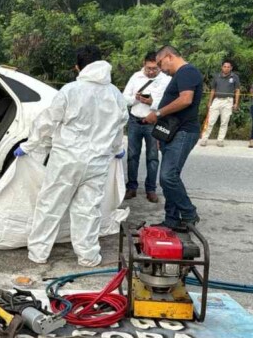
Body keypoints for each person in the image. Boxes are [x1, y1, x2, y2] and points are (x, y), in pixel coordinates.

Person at [13, 45, 128, 267]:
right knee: (88, 210)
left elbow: (48, 121)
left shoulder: (70, 91)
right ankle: (88, 257)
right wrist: (116, 150)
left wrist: (30, 145)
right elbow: (118, 127)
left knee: (51, 205)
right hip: (97, 162)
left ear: (78, 67)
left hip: (66, 159)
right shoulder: (115, 94)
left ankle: (39, 253)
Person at [143, 46, 203, 230]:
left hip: (184, 131)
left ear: (169, 57)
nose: (161, 69)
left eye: (161, 64)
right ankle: (172, 219)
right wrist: (162, 134)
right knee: (171, 177)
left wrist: (158, 113)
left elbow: (186, 100)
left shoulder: (188, 71)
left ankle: (189, 213)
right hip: (172, 132)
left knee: (168, 177)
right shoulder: (179, 75)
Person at [122, 52, 171, 203]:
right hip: (135, 121)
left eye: (154, 68)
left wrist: (151, 102)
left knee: (153, 157)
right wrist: (136, 98)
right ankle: (131, 187)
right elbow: (124, 98)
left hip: (153, 122)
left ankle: (151, 189)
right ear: (143, 64)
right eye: (148, 68)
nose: (151, 71)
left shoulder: (166, 80)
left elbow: (167, 103)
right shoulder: (136, 77)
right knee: (132, 156)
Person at [201, 59, 241, 147]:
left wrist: (236, 103)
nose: (226, 68)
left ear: (231, 68)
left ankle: (220, 140)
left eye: (228, 67)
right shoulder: (216, 76)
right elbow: (213, 90)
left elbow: (237, 90)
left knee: (224, 122)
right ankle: (204, 139)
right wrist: (210, 102)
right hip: (217, 100)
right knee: (211, 120)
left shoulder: (234, 77)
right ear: (221, 67)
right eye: (224, 66)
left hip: (228, 101)